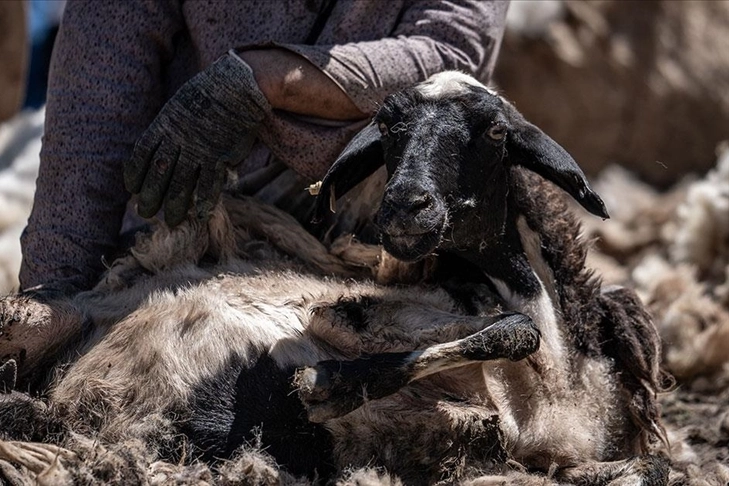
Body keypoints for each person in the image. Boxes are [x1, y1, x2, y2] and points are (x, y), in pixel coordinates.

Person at [7, 0, 509, 383]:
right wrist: (56, 291)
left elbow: (447, 53)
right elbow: (96, 101)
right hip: (177, 242)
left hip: (397, 250)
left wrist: (266, 80)